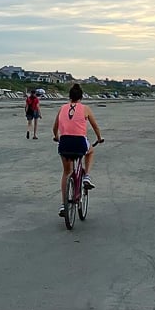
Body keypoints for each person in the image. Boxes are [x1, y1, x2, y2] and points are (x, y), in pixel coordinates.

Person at [52, 83, 104, 217]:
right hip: (79, 143)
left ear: (70, 96)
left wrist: (56, 137)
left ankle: (64, 204)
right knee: (90, 151)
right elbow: (95, 127)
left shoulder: (62, 108)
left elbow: (55, 127)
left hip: (64, 143)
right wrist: (99, 138)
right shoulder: (85, 108)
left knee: (66, 172)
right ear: (81, 97)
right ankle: (86, 177)